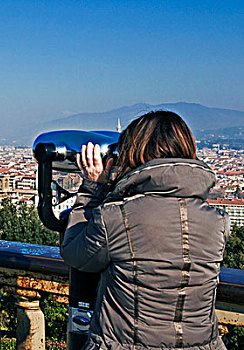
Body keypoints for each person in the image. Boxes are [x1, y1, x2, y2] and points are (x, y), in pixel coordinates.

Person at [61, 111, 230, 349]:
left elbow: (75, 253)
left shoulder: (118, 217)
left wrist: (92, 189)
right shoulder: (217, 222)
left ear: (134, 153)